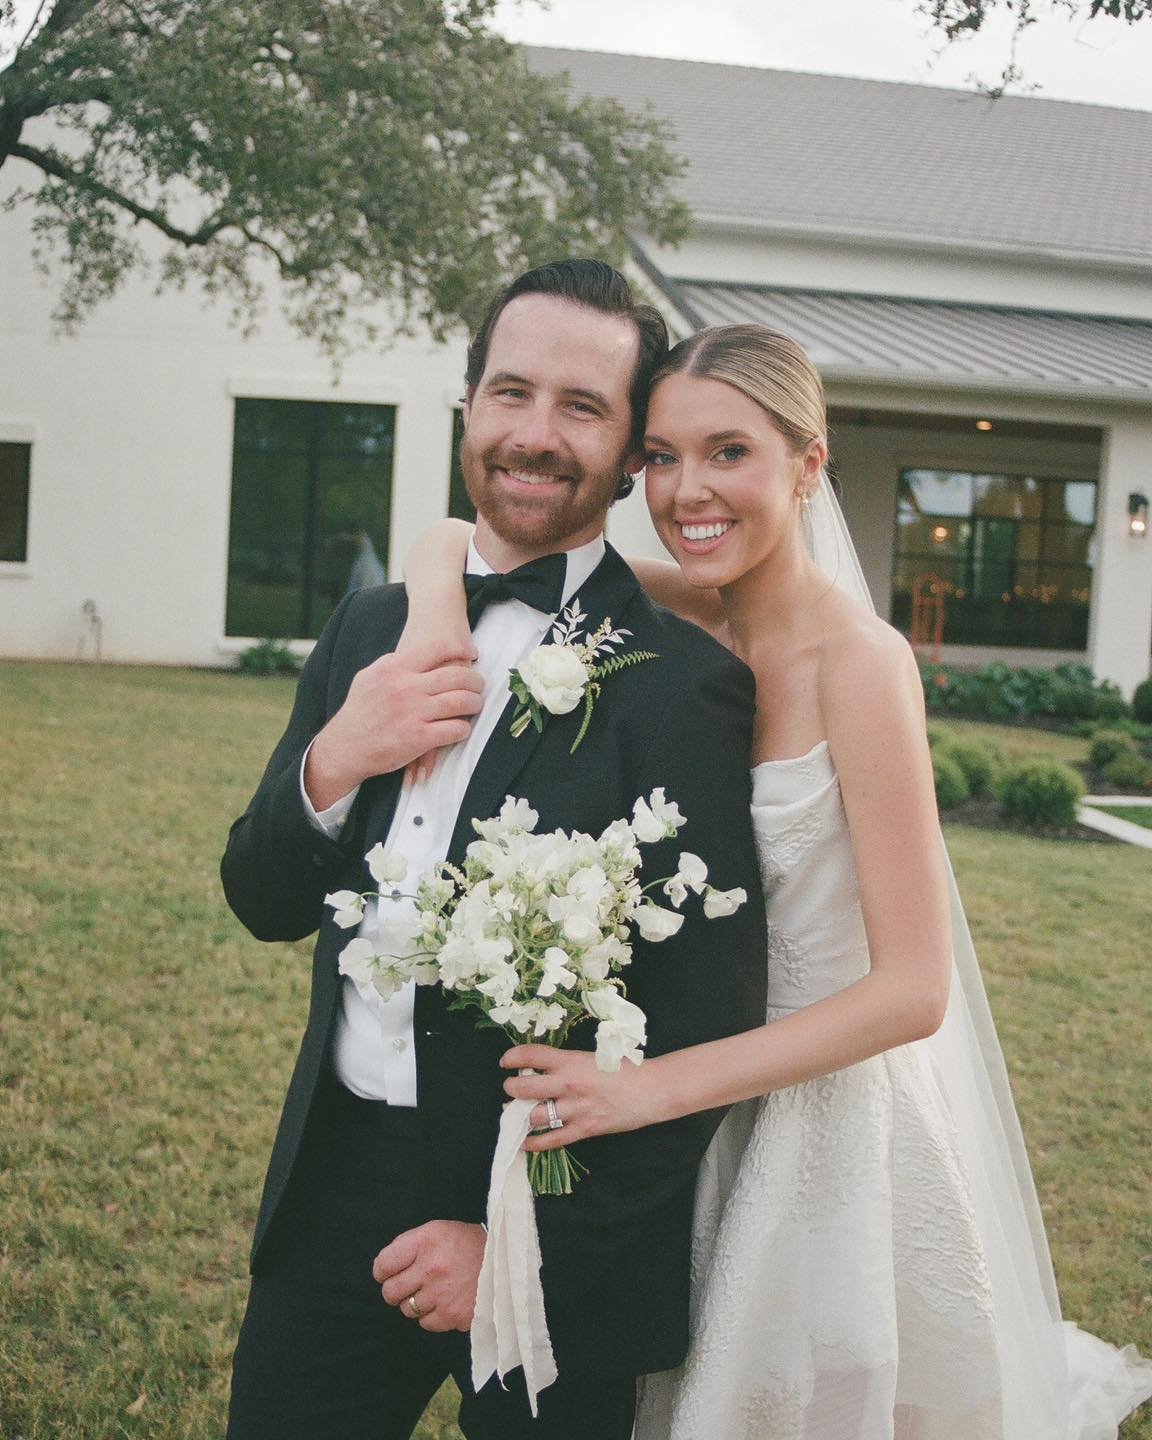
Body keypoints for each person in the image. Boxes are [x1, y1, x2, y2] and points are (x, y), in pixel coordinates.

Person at [401, 323, 1152, 1439]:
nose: (685, 490)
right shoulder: (681, 607)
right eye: (659, 456)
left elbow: (914, 991)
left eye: (728, 453)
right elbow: (459, 545)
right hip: (687, 1114)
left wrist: (655, 1087)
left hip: (819, 1125)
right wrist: (431, 618)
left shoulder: (863, 665)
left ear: (808, 464)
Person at [219, 262, 768, 1440]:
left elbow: (702, 1029)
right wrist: (335, 762)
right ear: (468, 403)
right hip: (335, 1188)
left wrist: (519, 1241)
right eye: (509, 393)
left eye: (581, 407)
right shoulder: (372, 625)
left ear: (630, 452)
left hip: (551, 1208)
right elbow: (260, 897)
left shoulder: (686, 691)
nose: (533, 434)